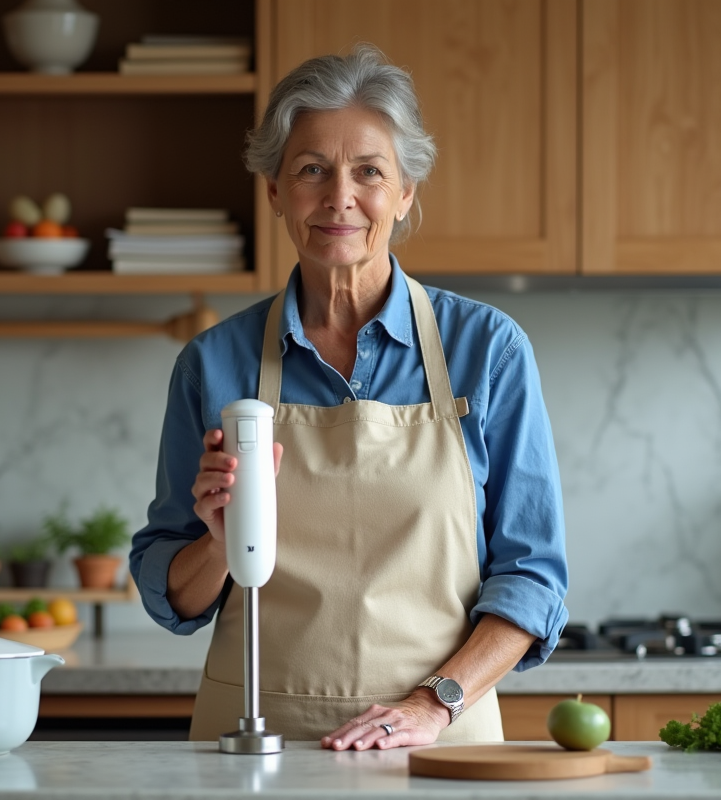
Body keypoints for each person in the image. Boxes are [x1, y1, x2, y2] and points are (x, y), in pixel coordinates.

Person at [129, 44, 568, 750]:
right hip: (251, 745)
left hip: (438, 746)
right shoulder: (214, 364)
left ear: (405, 193)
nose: (340, 198)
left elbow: (533, 578)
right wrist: (216, 544)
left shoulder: (488, 351)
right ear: (274, 189)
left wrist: (434, 702)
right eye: (311, 170)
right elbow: (172, 595)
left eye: (369, 172)